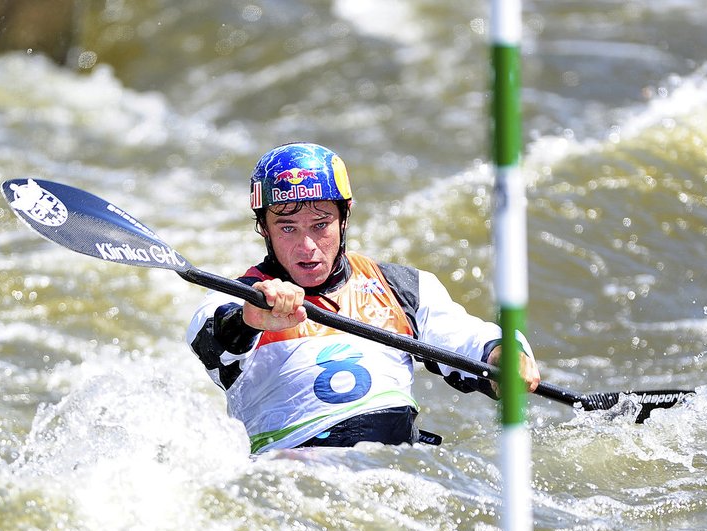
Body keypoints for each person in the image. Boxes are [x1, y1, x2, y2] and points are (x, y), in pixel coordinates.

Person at [187, 142, 540, 454]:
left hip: (395, 465)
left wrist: (504, 353)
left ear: (344, 217)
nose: (307, 247)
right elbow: (212, 339)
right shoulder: (238, 296)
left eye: (321, 225)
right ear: (264, 227)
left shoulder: (402, 287)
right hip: (295, 474)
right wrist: (251, 318)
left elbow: (467, 338)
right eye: (288, 228)